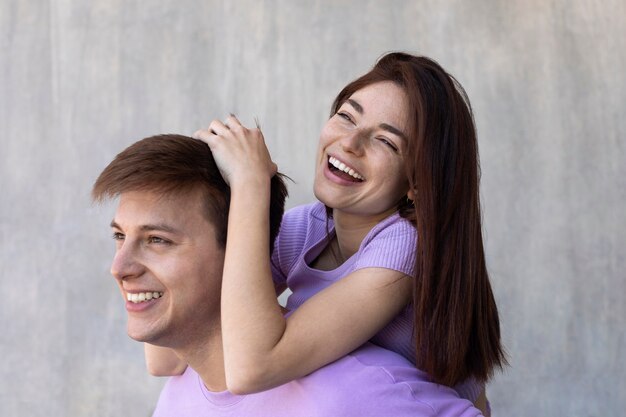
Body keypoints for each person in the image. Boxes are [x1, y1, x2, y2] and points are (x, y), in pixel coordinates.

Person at [189, 52, 506, 415]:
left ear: (417, 183)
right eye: (346, 116)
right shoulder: (305, 229)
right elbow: (179, 338)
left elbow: (253, 366)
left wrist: (251, 184)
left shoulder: (404, 247)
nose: (350, 144)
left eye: (386, 142)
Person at [92, 133, 484, 416]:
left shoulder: (353, 393)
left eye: (158, 240)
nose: (119, 267)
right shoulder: (180, 394)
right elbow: (163, 360)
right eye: (119, 236)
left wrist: (250, 184)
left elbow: (257, 364)